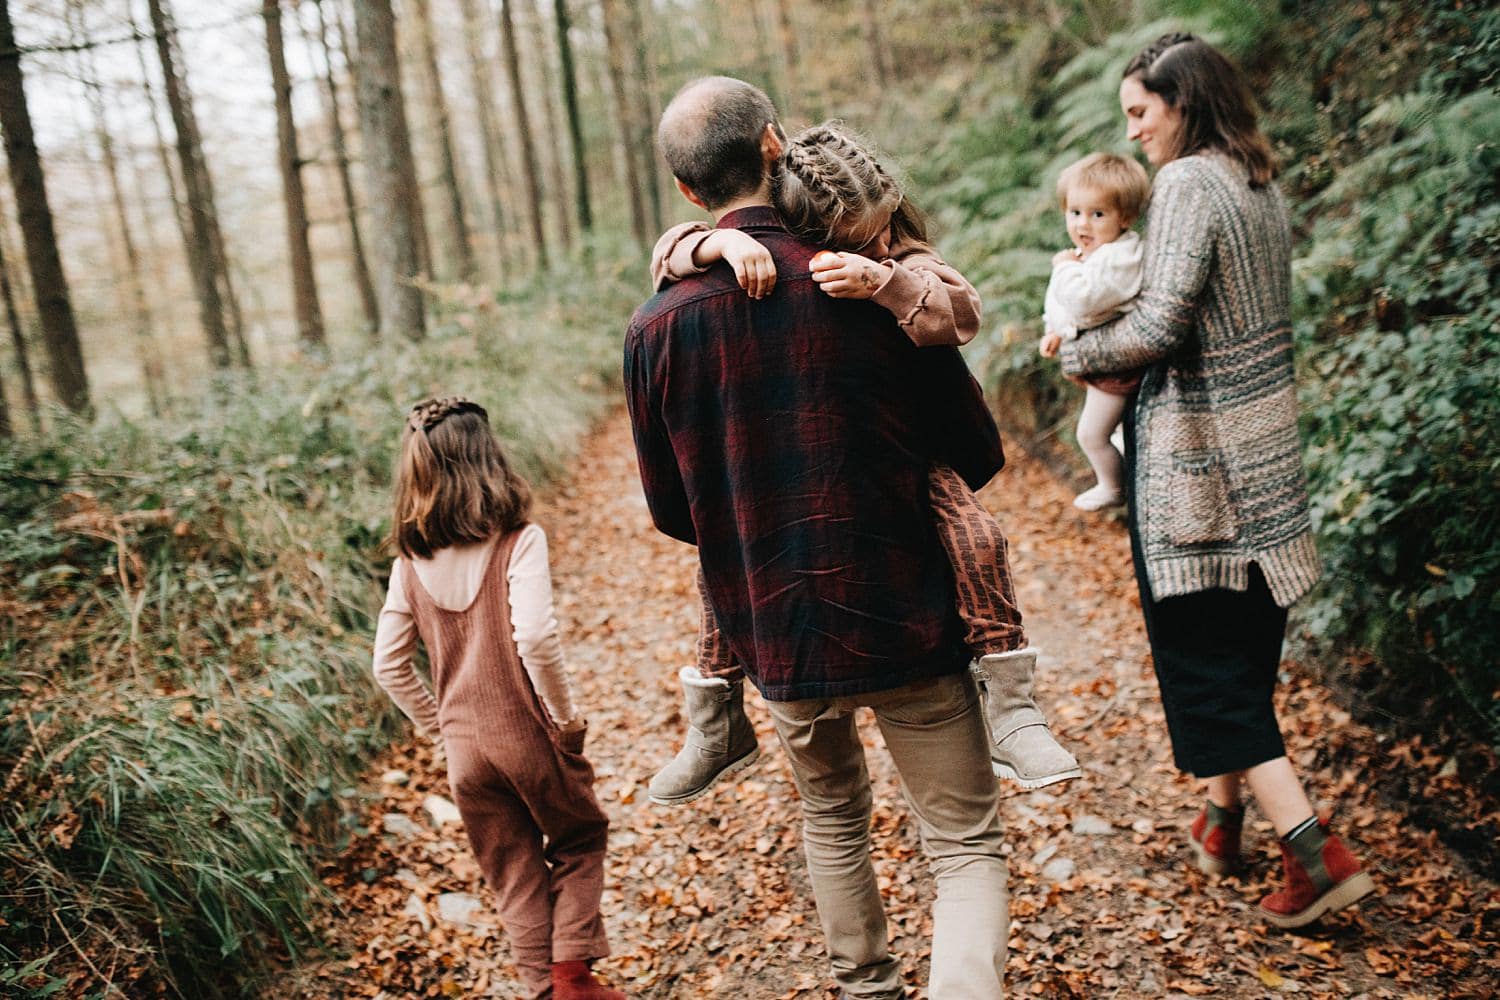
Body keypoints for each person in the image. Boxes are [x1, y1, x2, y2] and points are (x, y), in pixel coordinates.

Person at [626, 77, 1010, 998]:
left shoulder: (656, 330)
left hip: (777, 625)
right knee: (963, 843)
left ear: (687, 193)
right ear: (775, 141)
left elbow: (675, 512)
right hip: (909, 611)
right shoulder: (871, 284)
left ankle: (866, 987)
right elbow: (977, 452)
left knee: (833, 818)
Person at [645, 121, 1079, 808]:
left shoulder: (895, 254)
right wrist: (720, 240)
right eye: (862, 237)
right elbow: (668, 251)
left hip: (913, 468)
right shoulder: (804, 243)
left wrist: (886, 281)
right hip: (782, 523)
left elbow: (961, 314)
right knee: (719, 564)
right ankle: (713, 715)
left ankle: (1014, 703)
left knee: (979, 538)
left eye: (883, 230)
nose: (876, 243)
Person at [1059, 34, 1375, 929]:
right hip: (1267, 456)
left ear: (1183, 103)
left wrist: (1078, 351)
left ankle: (1315, 853)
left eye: (1140, 112)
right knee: (1240, 655)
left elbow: (1158, 325)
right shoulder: (1258, 181)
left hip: (1201, 466)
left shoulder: (1191, 183)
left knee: (1204, 670)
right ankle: (1224, 821)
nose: (1134, 131)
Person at [371, 397, 624, 1000]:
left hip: (465, 754)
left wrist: (440, 729)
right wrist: (565, 720)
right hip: (528, 736)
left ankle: (542, 990)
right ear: (487, 460)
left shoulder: (410, 563)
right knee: (580, 838)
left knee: (512, 871)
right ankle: (572, 978)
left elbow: (387, 664)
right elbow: (535, 636)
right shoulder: (518, 541)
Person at [1038, 153, 1152, 511]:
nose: (1083, 225)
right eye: (1075, 213)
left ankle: (1113, 487)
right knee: (1109, 432)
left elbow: (1084, 300)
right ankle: (1117, 471)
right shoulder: (1095, 252)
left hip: (1119, 365)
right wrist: (1054, 327)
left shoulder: (1119, 257)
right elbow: (1066, 305)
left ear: (1126, 218)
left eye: (1097, 214)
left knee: (1090, 434)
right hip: (1104, 360)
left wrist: (1062, 268)